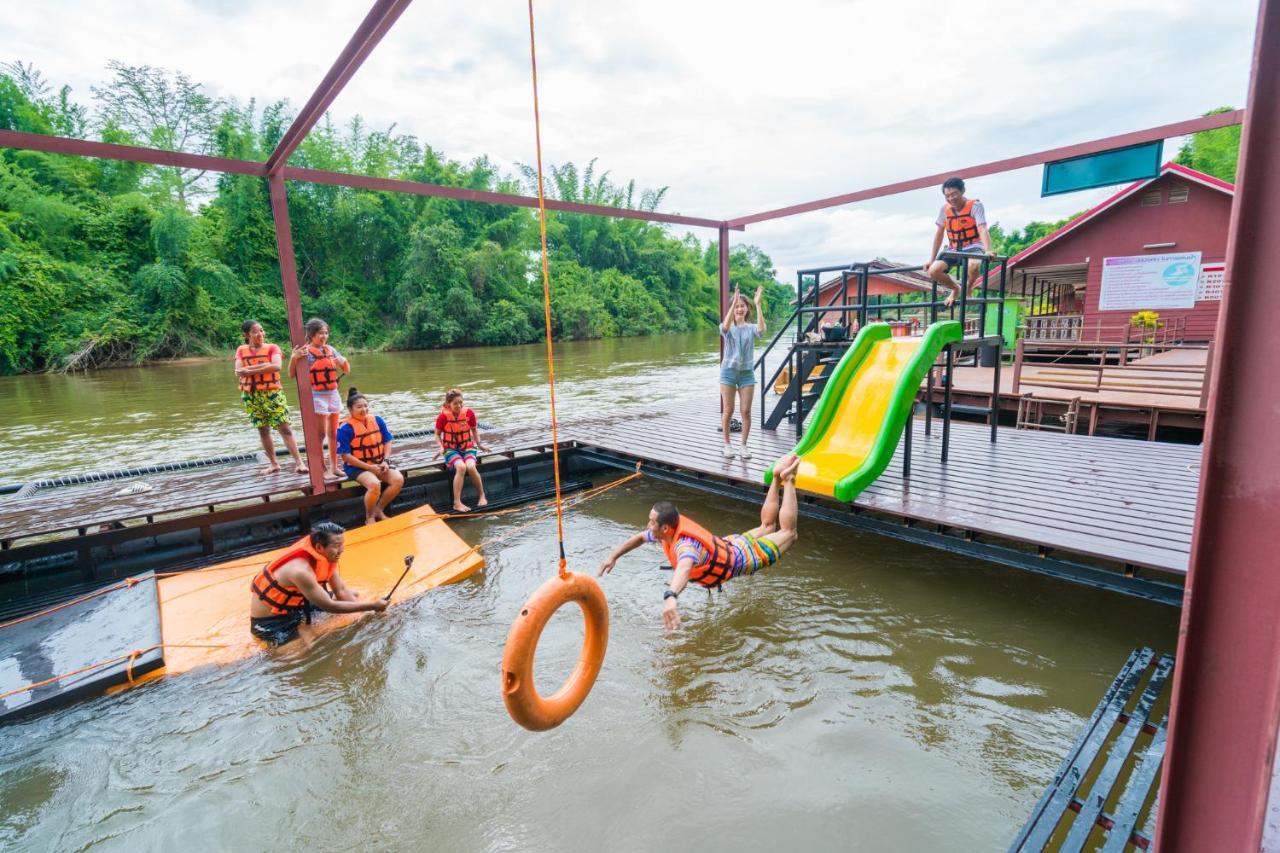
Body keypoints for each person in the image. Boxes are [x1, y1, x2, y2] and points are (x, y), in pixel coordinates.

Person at [598, 453, 801, 631]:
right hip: (732, 545)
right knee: (767, 527)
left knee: (789, 532)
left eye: (651, 523)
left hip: (744, 558)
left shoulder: (685, 546)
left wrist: (671, 596)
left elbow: (684, 569)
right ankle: (776, 477)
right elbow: (640, 538)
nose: (648, 526)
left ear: (665, 528)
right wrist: (613, 556)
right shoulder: (665, 532)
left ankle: (788, 479)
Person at [249, 521, 387, 645]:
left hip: (297, 606)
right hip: (273, 621)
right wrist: (372, 606)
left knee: (354, 596)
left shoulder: (326, 555)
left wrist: (362, 616)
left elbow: (341, 591)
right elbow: (329, 606)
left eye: (342, 544)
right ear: (319, 547)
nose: (342, 549)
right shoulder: (300, 571)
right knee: (301, 652)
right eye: (337, 546)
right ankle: (301, 628)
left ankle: (303, 623)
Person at [234, 320, 307, 476]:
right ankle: (274, 464)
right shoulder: (241, 350)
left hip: (272, 392)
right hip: (251, 395)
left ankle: (300, 463)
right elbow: (239, 370)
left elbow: (276, 366)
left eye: (261, 330)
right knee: (263, 429)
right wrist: (258, 368)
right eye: (255, 332)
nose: (260, 334)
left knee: (285, 428)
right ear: (247, 335)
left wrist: (250, 370)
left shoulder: (272, 348)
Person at [288, 318, 351, 478]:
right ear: (311, 334)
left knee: (334, 433)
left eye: (325, 333)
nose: (323, 336)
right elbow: (291, 375)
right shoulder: (305, 352)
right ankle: (322, 468)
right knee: (320, 434)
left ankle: (335, 467)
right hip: (316, 395)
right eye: (320, 333)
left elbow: (345, 368)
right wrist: (293, 358)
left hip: (332, 393)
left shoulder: (330, 349)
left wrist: (342, 363)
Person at [925, 176, 996, 307]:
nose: (951, 198)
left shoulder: (975, 206)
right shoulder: (944, 209)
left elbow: (982, 228)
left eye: (954, 194)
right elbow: (939, 233)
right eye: (948, 196)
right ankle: (956, 288)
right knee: (934, 271)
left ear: (963, 191)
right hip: (953, 248)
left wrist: (988, 250)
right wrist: (931, 259)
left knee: (973, 265)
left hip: (973, 245)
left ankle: (968, 288)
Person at [336, 388, 403, 526]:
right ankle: (370, 517)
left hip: (379, 463)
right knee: (374, 484)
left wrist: (385, 461)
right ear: (350, 409)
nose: (364, 409)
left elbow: (387, 441)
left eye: (366, 406)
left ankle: (379, 509)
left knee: (398, 479)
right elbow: (346, 456)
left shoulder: (377, 420)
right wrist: (369, 468)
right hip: (356, 467)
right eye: (359, 407)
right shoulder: (344, 429)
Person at [719, 285, 766, 460]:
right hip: (728, 373)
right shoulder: (727, 327)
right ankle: (727, 445)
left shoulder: (751, 328)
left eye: (742, 306)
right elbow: (725, 327)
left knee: (745, 411)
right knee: (728, 410)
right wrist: (733, 302)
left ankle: (744, 446)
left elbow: (762, 330)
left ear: (747, 309)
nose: (739, 309)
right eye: (737, 306)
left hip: (747, 374)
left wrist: (758, 304)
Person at [434, 388, 489, 512]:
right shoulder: (442, 417)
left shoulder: (469, 413)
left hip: (467, 447)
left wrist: (480, 445)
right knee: (461, 467)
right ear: (448, 404)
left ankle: (482, 495)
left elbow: (474, 430)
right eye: (455, 403)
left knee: (470, 466)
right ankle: (457, 503)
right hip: (450, 449)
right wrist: (441, 447)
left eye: (460, 402)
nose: (458, 406)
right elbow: (437, 435)